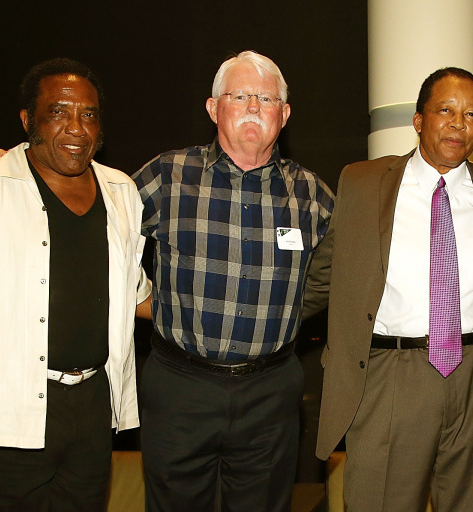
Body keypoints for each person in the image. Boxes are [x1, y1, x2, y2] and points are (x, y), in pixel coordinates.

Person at [0, 58, 152, 510]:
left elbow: (136, 295)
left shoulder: (122, 192)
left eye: (89, 114)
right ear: (28, 121)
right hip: (5, 405)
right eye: (59, 112)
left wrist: (218, 320)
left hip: (93, 409)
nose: (77, 128)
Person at [304, 67, 473, 511]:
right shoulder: (363, 184)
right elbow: (323, 276)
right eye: (445, 110)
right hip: (391, 374)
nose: (458, 124)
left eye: (471, 114)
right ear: (419, 120)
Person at [132, 51, 334, 511]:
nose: (253, 107)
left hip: (270, 393)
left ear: (284, 115)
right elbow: (95, 224)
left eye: (266, 98)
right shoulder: (167, 174)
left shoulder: (312, 194)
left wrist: (287, 311)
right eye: (239, 95)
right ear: (213, 108)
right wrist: (26, 164)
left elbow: (343, 267)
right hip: (181, 388)